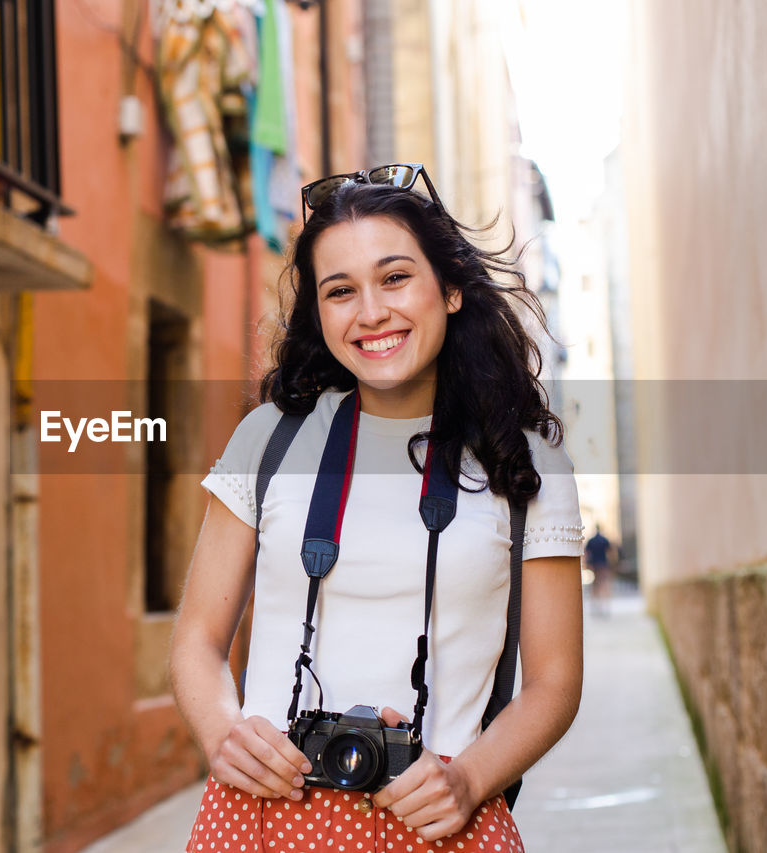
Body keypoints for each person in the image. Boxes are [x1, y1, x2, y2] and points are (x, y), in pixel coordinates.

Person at [170, 164, 585, 852]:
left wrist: (468, 778)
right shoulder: (269, 438)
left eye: (395, 278)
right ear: (320, 313)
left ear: (450, 288)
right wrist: (224, 735)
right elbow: (197, 641)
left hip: (443, 817)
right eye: (340, 291)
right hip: (260, 816)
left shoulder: (530, 461)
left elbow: (554, 680)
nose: (371, 313)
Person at [584, 524, 617, 618]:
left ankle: (596, 607)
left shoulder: (591, 541)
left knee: (595, 586)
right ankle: (604, 606)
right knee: (604, 585)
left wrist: (587, 564)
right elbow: (611, 553)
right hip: (603, 565)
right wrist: (613, 564)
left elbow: (586, 553)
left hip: (594, 566)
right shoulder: (604, 540)